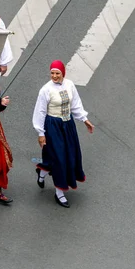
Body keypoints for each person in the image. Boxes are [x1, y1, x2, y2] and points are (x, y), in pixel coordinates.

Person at [33, 60, 94, 208]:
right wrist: (41, 133)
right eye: (52, 73)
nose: (54, 76)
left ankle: (42, 172)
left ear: (63, 73)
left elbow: (76, 105)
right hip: (53, 126)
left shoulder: (70, 85)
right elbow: (40, 112)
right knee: (59, 158)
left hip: (68, 126)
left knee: (69, 155)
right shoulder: (45, 90)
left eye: (57, 73)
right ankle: (59, 192)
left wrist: (84, 119)